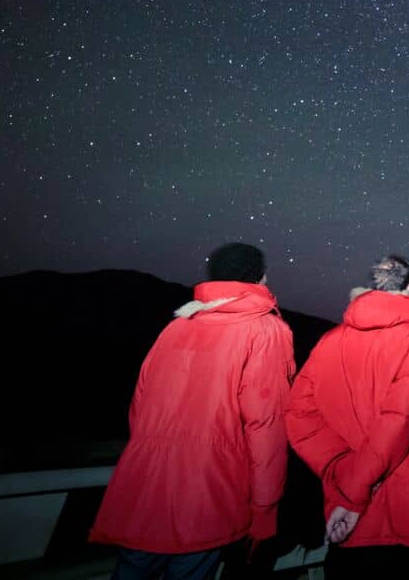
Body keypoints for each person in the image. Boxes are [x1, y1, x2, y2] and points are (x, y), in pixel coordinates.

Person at [90, 243, 294, 580]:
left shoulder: (178, 326)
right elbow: (265, 424)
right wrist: (265, 506)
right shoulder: (266, 331)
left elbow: (140, 407)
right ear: (261, 278)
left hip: (145, 484)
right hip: (207, 490)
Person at [285, 256, 409, 578]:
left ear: (369, 286)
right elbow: (399, 420)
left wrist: (338, 466)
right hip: (398, 498)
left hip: (340, 496)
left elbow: (298, 413)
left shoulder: (329, 340)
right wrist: (355, 494)